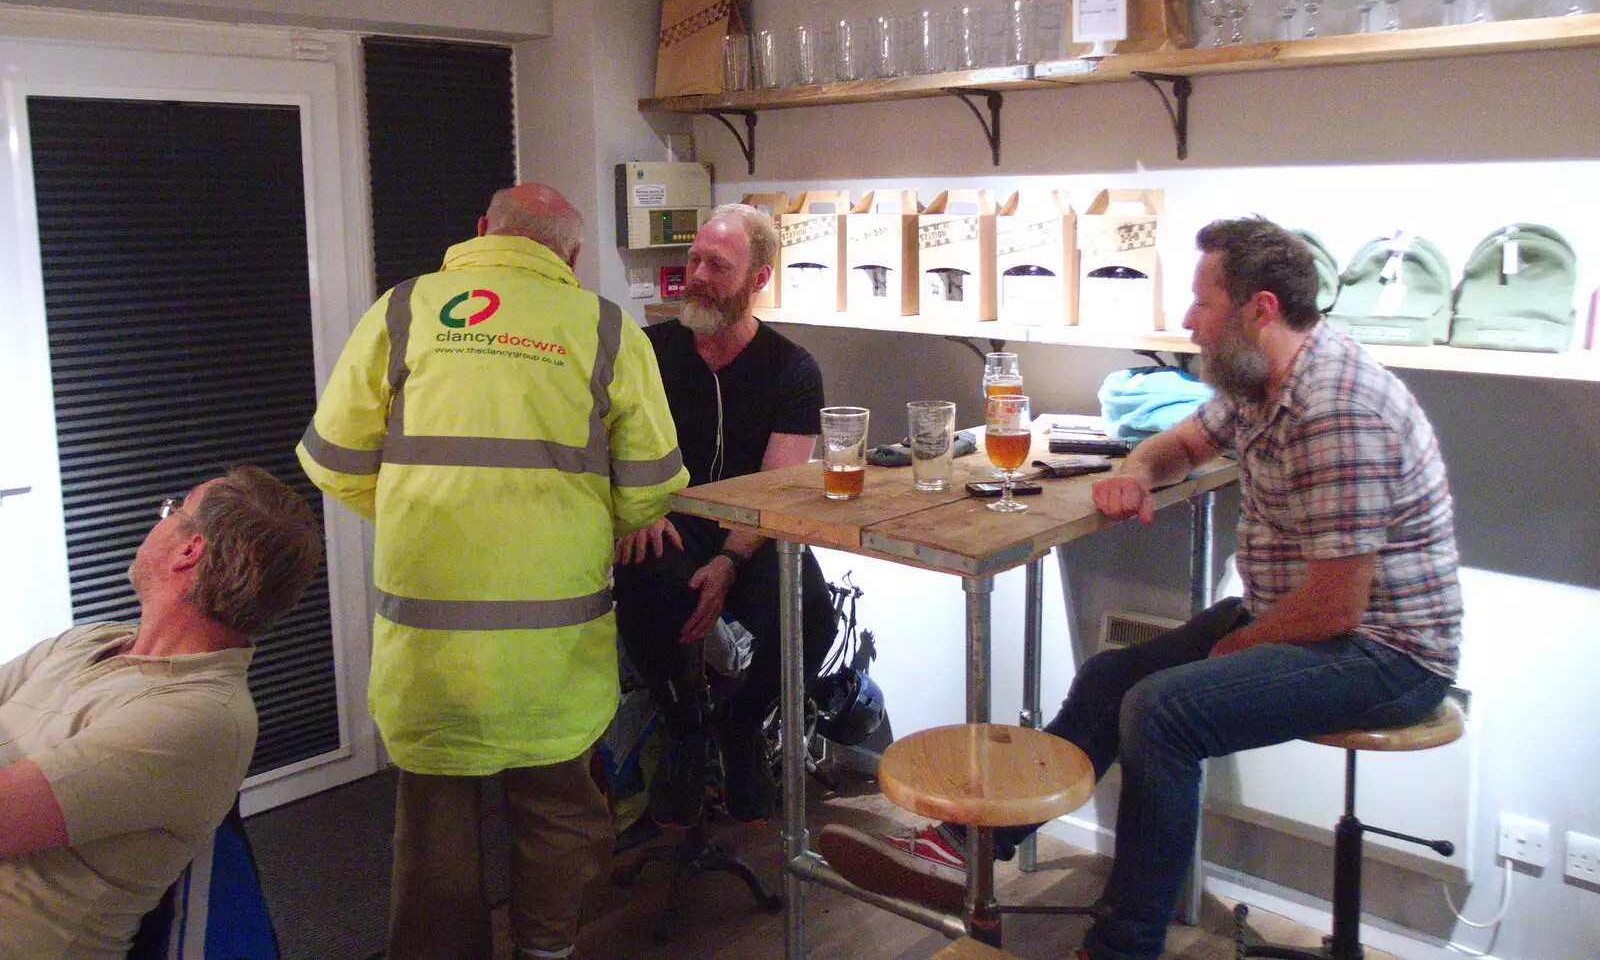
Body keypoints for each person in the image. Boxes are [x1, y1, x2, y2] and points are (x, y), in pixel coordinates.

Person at [819, 215, 1462, 960]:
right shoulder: (1263, 380)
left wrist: (1232, 647)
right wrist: (1135, 472)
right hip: (1305, 617)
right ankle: (961, 851)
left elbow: (1337, 604)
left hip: (1386, 653)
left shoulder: (1335, 407)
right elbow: (1182, 442)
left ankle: (1125, 946)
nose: (1188, 321)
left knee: (1162, 711)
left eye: (1202, 303)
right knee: (1110, 676)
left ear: (1260, 308)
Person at [297, 183, 688, 960]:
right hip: (553, 653)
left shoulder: (403, 311)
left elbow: (331, 464)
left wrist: (427, 509)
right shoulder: (608, 329)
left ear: (481, 231)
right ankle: (544, 950)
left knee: (435, 833)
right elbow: (649, 493)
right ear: (571, 255)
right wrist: (575, 521)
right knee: (557, 819)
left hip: (430, 648)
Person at [0, 466, 322, 960]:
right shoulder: (92, 638)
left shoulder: (202, 719)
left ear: (188, 549)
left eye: (174, 509)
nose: (160, 519)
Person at [613, 203, 838, 828]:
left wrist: (728, 562)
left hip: (753, 529)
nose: (698, 275)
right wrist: (631, 514)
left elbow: (775, 490)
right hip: (669, 517)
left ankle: (740, 724)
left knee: (812, 615)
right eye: (693, 260)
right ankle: (684, 726)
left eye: (718, 264)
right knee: (643, 574)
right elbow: (607, 446)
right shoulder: (646, 350)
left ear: (758, 279)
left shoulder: (792, 368)